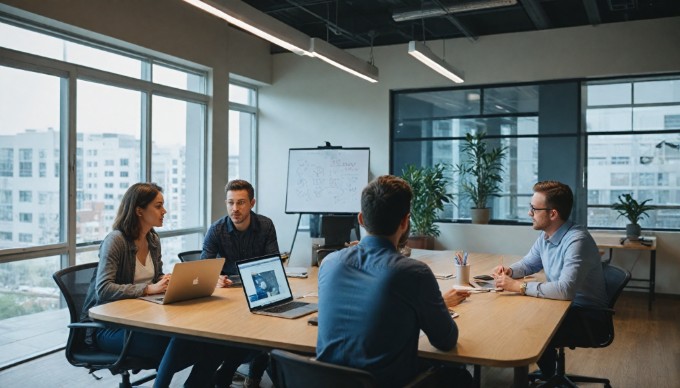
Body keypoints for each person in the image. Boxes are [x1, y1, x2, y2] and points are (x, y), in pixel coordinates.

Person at [316, 175, 473, 388]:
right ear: (405, 221)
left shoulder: (329, 263)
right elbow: (446, 341)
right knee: (459, 375)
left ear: (361, 219)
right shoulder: (413, 273)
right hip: (384, 383)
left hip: (325, 381)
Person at [80, 182, 220, 388]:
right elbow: (104, 288)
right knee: (183, 341)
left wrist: (166, 280)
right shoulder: (115, 241)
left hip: (141, 319)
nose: (164, 211)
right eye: (158, 206)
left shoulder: (152, 238)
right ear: (139, 210)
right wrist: (147, 289)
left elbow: (154, 278)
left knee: (210, 340)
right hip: (108, 328)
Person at [493, 180, 609, 379]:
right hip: (562, 307)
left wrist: (519, 286)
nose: (530, 213)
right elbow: (529, 263)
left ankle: (548, 375)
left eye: (534, 209)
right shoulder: (547, 236)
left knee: (524, 323)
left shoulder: (576, 240)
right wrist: (510, 271)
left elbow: (565, 290)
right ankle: (550, 373)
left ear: (553, 214)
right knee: (519, 312)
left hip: (585, 317)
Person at [201, 179, 279, 388]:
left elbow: (272, 265)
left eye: (241, 202)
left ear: (252, 203)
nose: (234, 209)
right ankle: (227, 372)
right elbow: (204, 267)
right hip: (227, 295)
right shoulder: (216, 230)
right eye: (230, 203)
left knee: (267, 327)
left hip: (259, 289)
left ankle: (252, 377)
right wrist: (213, 276)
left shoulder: (265, 225)